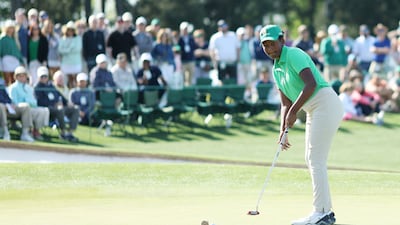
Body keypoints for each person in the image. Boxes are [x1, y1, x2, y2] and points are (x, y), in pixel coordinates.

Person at [259, 24, 343, 225]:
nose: (269, 49)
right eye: (265, 45)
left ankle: (321, 212)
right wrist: (283, 131)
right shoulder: (276, 68)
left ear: (282, 40)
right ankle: (324, 211)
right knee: (311, 158)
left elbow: (311, 84)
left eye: (272, 43)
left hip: (325, 103)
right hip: (313, 109)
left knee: (315, 158)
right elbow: (285, 104)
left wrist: (295, 112)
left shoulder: (294, 54)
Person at [34, 66, 80, 142]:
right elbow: (40, 102)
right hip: (48, 109)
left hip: (59, 107)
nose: (44, 78)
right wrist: (54, 104)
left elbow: (59, 95)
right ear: (39, 77)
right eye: (42, 76)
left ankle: (70, 133)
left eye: (45, 76)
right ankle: (63, 133)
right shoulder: (37, 88)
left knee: (75, 109)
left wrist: (67, 102)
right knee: (60, 110)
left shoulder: (50, 86)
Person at [9, 66, 50, 140]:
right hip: (19, 109)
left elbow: (34, 102)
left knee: (44, 110)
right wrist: (27, 102)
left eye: (23, 76)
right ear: (16, 77)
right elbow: (14, 102)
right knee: (26, 106)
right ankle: (26, 133)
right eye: (20, 76)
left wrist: (28, 101)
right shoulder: (13, 88)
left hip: (31, 107)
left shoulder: (29, 88)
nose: (22, 78)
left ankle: (36, 130)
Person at [0, 77, 34, 142]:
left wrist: (10, 103)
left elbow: (7, 97)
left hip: (8, 108)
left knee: (26, 106)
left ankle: (25, 134)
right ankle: (5, 132)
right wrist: (4, 104)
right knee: (0, 106)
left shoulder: (1, 85)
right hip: (2, 107)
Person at [209, 19, 240, 84]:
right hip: (221, 63)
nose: (223, 27)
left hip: (232, 63)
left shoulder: (233, 35)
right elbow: (211, 50)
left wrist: (237, 58)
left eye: (224, 25)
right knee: (221, 81)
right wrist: (214, 61)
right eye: (221, 26)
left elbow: (238, 48)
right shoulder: (215, 37)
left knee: (233, 80)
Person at [58, 21, 83, 88]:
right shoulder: (62, 39)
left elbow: (77, 49)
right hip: (66, 63)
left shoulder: (78, 38)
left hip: (76, 62)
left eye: (72, 30)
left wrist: (66, 50)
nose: (70, 31)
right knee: (69, 80)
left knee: (76, 79)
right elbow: (60, 50)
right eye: (69, 30)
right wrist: (69, 49)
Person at [0, 20, 24, 86]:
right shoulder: (2, 38)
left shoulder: (15, 39)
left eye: (12, 28)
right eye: (9, 28)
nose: (11, 29)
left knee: (14, 79)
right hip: (6, 60)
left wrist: (21, 61)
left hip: (15, 60)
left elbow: (17, 52)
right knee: (7, 80)